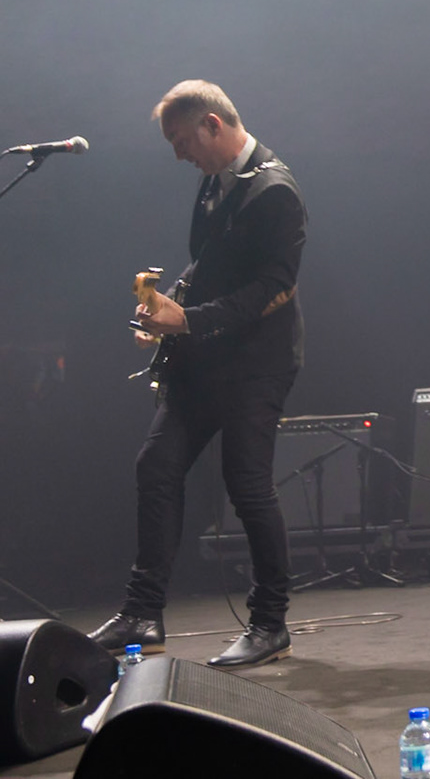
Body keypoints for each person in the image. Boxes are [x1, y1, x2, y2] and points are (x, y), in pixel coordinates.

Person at [89, 81, 307, 668]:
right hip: (205, 359)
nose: (180, 155)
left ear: (212, 124)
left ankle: (270, 624)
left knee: (248, 485)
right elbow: (208, 264)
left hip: (256, 366)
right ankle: (142, 613)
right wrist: (167, 314)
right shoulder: (214, 182)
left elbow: (275, 289)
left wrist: (189, 319)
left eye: (183, 141)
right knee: (155, 466)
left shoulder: (275, 191)